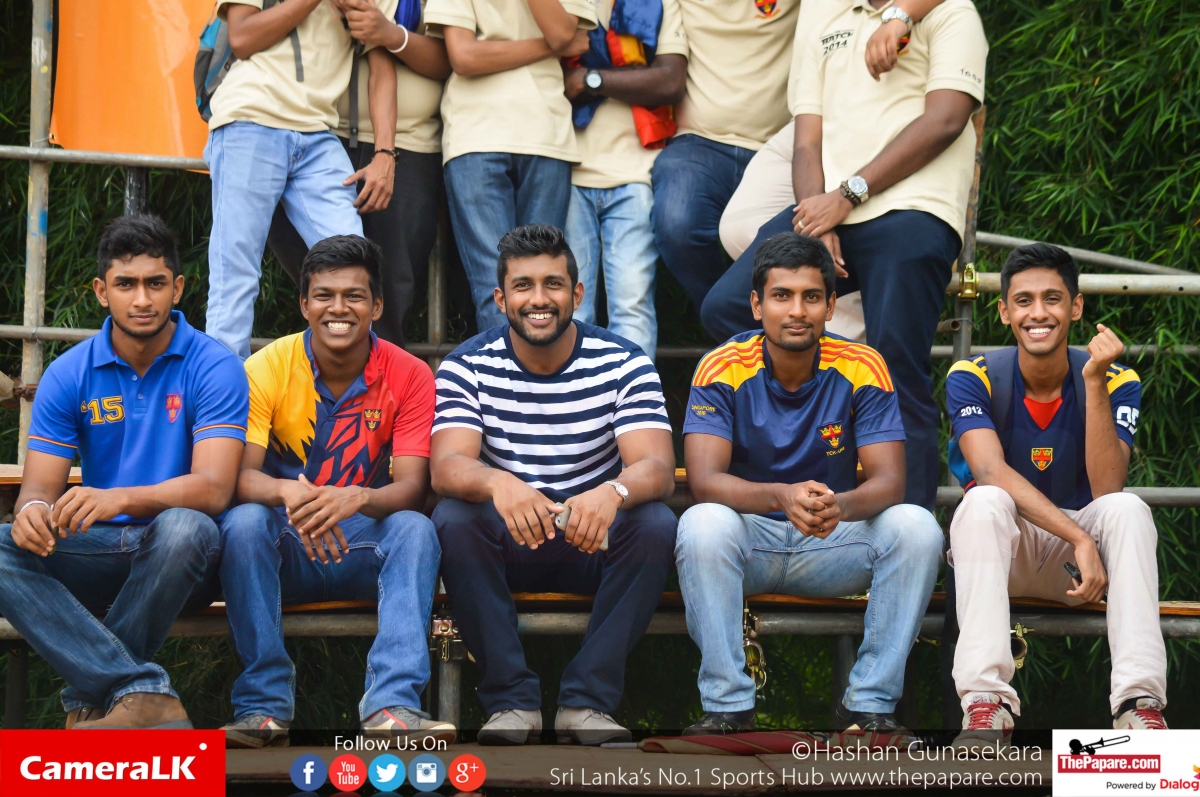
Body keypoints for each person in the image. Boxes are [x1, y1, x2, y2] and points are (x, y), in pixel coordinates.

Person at [700, 0, 987, 513]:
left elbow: (946, 119)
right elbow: (807, 140)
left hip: (913, 210)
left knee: (896, 369)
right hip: (831, 207)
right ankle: (789, 481)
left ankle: (910, 536)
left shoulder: (952, 11)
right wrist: (819, 217)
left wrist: (848, 195)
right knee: (726, 306)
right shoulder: (826, 12)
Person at [676, 232, 943, 735]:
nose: (797, 311)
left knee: (917, 527)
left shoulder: (863, 364)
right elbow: (705, 482)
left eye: (811, 297)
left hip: (831, 539)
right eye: (781, 296)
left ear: (830, 306)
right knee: (702, 523)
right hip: (749, 542)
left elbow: (890, 482)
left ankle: (868, 708)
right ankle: (728, 707)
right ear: (757, 305)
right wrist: (780, 495)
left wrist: (840, 506)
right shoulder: (721, 365)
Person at [430, 224, 677, 746]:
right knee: (453, 518)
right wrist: (499, 482)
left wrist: (612, 492)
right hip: (510, 537)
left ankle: (587, 703)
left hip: (593, 536)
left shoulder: (623, 361)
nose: (538, 299)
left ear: (577, 294)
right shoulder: (466, 365)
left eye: (553, 284)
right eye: (523, 286)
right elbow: (447, 465)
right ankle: (511, 703)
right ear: (501, 299)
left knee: (655, 523)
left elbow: (656, 466)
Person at [0, 215, 249, 729]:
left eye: (156, 283)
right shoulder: (69, 372)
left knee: (186, 527)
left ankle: (89, 697)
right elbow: (38, 490)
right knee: (3, 544)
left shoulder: (214, 365)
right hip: (95, 550)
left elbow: (214, 489)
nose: (142, 299)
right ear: (101, 291)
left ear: (177, 288)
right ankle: (140, 694)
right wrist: (33, 514)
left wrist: (118, 499)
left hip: (184, 559)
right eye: (126, 284)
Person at [219, 235, 450, 748]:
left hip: (362, 545)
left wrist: (358, 498)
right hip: (285, 542)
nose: (338, 308)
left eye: (354, 296)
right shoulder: (266, 367)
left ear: (377, 306)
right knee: (244, 522)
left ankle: (391, 706)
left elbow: (413, 488)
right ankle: (262, 708)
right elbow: (242, 479)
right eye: (324, 295)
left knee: (415, 529)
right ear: (304, 304)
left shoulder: (410, 375)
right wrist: (293, 496)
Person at [946, 244, 1168, 745]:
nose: (1038, 313)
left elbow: (1107, 488)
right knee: (983, 500)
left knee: (1128, 508)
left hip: (1080, 568)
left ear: (1076, 307)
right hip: (1004, 555)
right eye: (1023, 301)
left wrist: (1093, 382)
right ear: (1004, 311)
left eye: (1052, 298)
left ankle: (1138, 706)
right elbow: (989, 470)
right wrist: (1080, 538)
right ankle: (987, 706)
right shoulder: (972, 375)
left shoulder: (1116, 378)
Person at [715, 0, 948, 344]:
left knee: (881, 250)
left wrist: (900, 15)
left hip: (883, 113)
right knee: (738, 229)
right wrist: (817, 223)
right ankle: (824, 342)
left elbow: (945, 119)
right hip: (809, 116)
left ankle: (851, 330)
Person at [205, 0, 400, 358]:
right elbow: (242, 37)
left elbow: (381, 64)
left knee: (354, 265)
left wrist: (385, 152)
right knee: (235, 271)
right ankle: (223, 389)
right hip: (250, 118)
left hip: (319, 131)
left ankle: (351, 381)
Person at [265, 0, 453, 347]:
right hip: (315, 136)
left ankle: (380, 378)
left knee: (388, 293)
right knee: (325, 282)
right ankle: (330, 374)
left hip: (408, 143)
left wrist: (391, 35)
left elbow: (450, 59)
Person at [425, 0, 597, 330]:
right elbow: (464, 57)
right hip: (476, 136)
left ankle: (537, 367)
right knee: (495, 287)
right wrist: (549, 47)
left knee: (545, 282)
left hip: (545, 135)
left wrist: (555, 43)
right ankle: (505, 367)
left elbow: (562, 34)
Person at [648, 0, 800, 313]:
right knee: (677, 223)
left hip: (781, 144)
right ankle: (733, 319)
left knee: (796, 236)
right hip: (698, 143)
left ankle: (764, 319)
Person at [562, 0, 688, 360]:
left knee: (632, 305)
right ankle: (574, 398)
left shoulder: (658, 3)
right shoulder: (558, 5)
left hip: (636, 172)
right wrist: (626, 81)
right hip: (568, 171)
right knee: (571, 308)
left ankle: (635, 397)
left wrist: (591, 80)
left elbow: (669, 80)